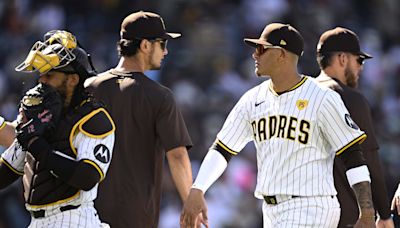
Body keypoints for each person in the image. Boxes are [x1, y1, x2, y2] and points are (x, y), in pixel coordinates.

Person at [180, 23, 376, 228]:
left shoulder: (321, 98)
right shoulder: (253, 99)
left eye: (262, 49)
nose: (255, 54)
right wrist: (198, 188)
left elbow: (353, 155)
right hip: (271, 211)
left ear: (281, 54)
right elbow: (222, 148)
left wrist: (368, 212)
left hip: (311, 206)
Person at [85, 11, 199, 228]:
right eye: (162, 43)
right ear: (145, 45)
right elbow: (177, 155)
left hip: (88, 215)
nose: (165, 51)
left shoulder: (89, 88)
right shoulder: (160, 96)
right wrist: (190, 202)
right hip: (137, 217)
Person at [0, 30, 115, 228]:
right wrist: (28, 138)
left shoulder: (94, 119)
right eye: (41, 75)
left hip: (75, 219)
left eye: (50, 75)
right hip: (36, 222)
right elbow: (8, 171)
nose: (42, 81)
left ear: (73, 79)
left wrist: (36, 143)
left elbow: (87, 177)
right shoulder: (38, 116)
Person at [315, 27, 394, 228]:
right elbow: (370, 160)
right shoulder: (348, 98)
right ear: (342, 59)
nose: (361, 67)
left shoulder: (300, 97)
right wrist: (384, 215)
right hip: (345, 217)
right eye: (359, 60)